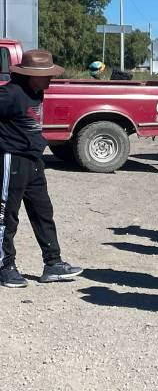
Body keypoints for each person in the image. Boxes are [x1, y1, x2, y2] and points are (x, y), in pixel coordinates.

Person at [0, 50, 83, 288]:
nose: (50, 79)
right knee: (6, 216)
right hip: (12, 159)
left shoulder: (37, 91)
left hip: (34, 160)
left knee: (43, 212)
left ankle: (53, 264)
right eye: (46, 75)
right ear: (30, 75)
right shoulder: (10, 93)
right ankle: (5, 267)